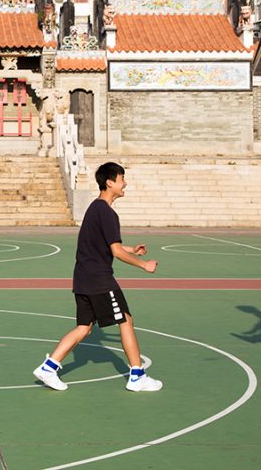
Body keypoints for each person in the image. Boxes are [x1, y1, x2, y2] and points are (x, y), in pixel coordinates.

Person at [32, 162, 163, 392]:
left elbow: (105, 245)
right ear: (110, 182)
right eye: (122, 179)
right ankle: (137, 375)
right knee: (125, 319)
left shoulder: (95, 209)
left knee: (84, 327)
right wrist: (144, 265)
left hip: (82, 278)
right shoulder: (108, 213)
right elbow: (115, 251)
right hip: (99, 278)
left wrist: (132, 249)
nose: (125, 183)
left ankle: (48, 368)